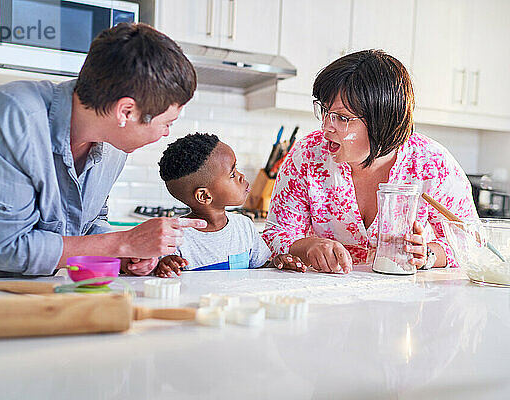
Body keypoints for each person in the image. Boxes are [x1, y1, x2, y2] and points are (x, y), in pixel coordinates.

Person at [0, 23, 205, 280]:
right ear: (126, 111)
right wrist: (122, 242)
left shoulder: (113, 146)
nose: (167, 132)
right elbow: (8, 249)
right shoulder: (13, 116)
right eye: (167, 122)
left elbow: (89, 224)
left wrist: (130, 253)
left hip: (8, 293)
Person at [263, 49, 478, 274]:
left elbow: (471, 241)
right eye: (325, 112)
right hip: (326, 298)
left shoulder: (432, 164)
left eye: (343, 118)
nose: (326, 127)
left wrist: (427, 255)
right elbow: (275, 234)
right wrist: (307, 247)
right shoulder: (307, 155)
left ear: (382, 121)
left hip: (406, 302)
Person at [155, 133, 307, 277]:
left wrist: (277, 263)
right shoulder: (174, 238)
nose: (241, 176)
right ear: (204, 196)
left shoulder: (244, 227)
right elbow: (161, 278)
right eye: (232, 174)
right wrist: (163, 266)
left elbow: (259, 269)